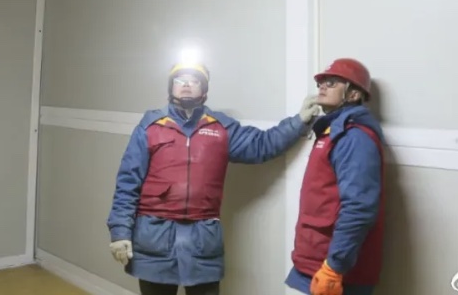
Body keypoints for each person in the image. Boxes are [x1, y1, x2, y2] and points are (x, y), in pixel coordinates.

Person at [107, 60, 319, 295]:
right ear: (171, 87)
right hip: (154, 241)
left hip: (202, 243)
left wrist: (299, 122)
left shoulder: (221, 128)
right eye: (180, 80)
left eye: (194, 81)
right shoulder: (150, 127)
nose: (186, 85)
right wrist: (120, 232)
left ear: (204, 90)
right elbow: (128, 183)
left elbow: (262, 145)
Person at [285, 58, 385, 295]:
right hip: (315, 262)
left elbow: (358, 208)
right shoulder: (332, 132)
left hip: (336, 271)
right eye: (321, 82)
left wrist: (334, 267)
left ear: (353, 95)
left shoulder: (354, 137)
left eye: (332, 83)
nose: (322, 86)